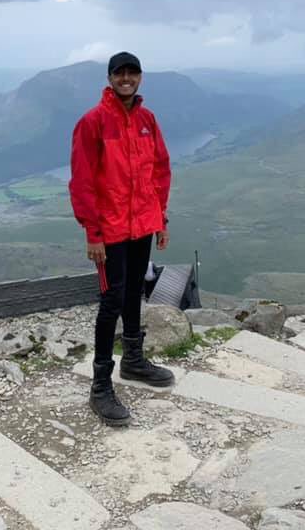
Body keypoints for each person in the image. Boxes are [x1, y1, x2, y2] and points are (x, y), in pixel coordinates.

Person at [68, 51, 175, 426]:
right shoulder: (93, 123)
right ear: (110, 78)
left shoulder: (147, 120)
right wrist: (92, 233)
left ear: (140, 77)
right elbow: (82, 182)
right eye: (120, 73)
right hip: (109, 230)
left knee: (133, 293)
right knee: (111, 299)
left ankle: (132, 362)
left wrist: (159, 217)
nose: (127, 79)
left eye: (133, 73)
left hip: (142, 224)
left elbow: (160, 170)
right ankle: (100, 386)